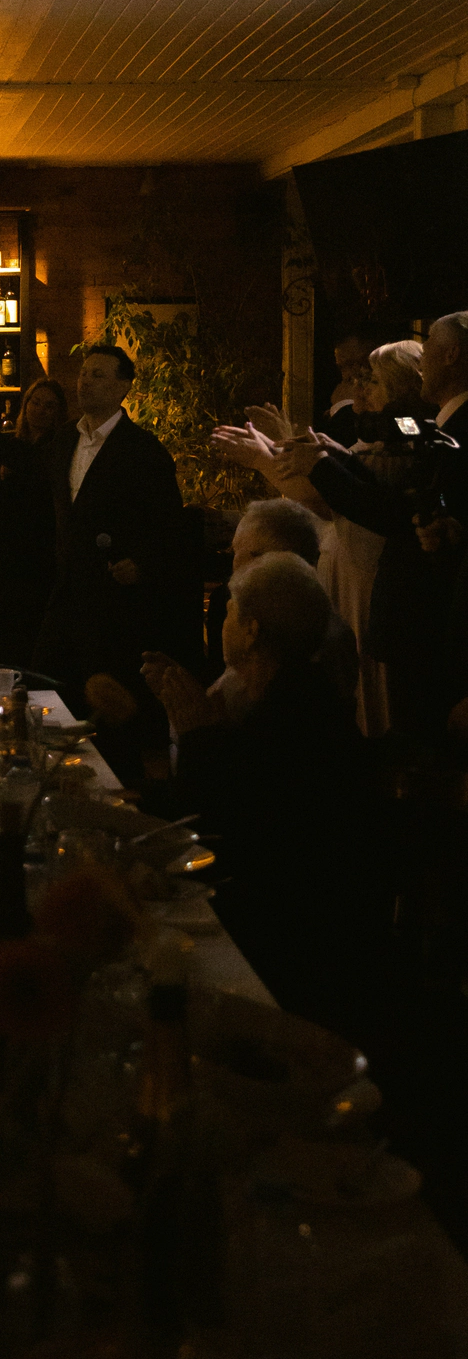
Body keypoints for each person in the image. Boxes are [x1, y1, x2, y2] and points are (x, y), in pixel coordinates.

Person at [145, 552, 388, 1031]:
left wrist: (197, 737)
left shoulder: (289, 720)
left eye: (230, 611)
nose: (223, 622)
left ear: (251, 630)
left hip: (289, 943)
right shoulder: (302, 697)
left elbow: (215, 830)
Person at [276, 314, 468, 746]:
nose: (423, 355)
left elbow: (392, 510)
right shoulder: (435, 426)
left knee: (419, 740)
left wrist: (323, 465)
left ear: (452, 354)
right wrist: (337, 457)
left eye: (430, 344)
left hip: (430, 617)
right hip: (417, 613)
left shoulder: (453, 428)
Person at [34, 344, 188, 730]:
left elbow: (171, 525)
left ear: (123, 387)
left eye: (98, 375)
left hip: (113, 602)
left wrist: (143, 563)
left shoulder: (143, 450)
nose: (85, 382)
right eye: (83, 373)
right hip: (65, 590)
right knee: (51, 693)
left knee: (106, 706)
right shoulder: (64, 441)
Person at [202, 498, 358, 712]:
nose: (233, 563)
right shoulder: (334, 627)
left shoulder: (276, 654)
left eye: (236, 551)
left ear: (264, 560)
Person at [0, 377, 68, 666]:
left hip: (34, 552)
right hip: (0, 548)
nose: (40, 410)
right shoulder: (10, 444)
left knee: (26, 632)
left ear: (58, 412)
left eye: (49, 406)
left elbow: (37, 474)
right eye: (35, 403)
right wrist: (0, 479)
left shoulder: (60, 448)